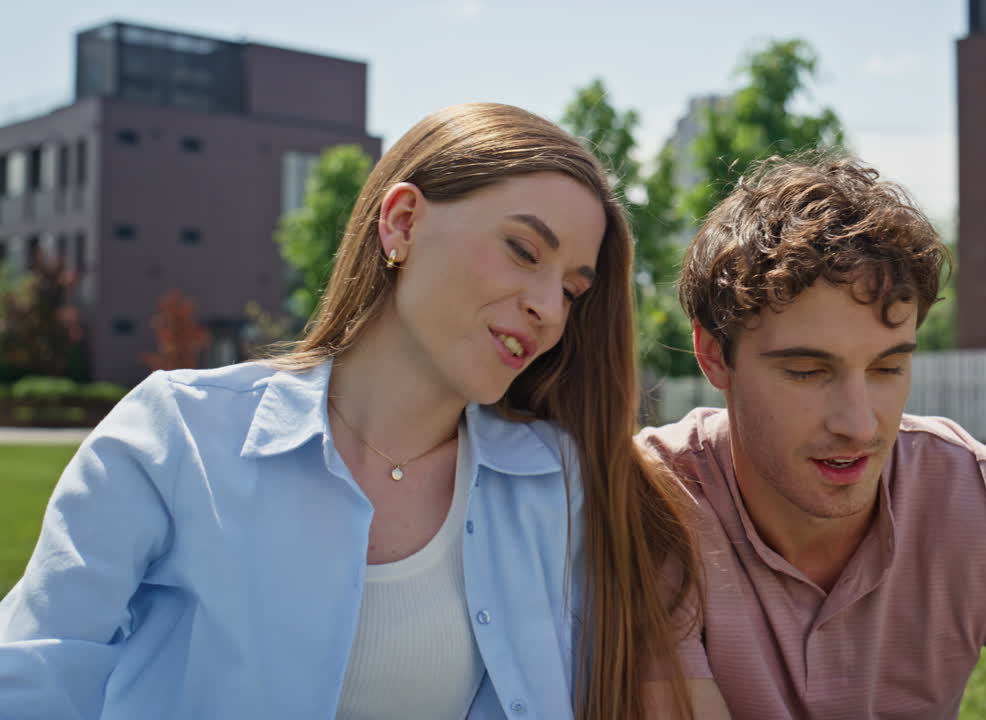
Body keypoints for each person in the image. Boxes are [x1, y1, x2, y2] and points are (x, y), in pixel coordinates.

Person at [0, 103, 700, 720]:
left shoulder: (561, 483)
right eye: (523, 251)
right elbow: (35, 674)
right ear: (401, 223)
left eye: (574, 291)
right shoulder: (176, 437)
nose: (548, 310)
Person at [639, 153, 986, 719]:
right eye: (807, 372)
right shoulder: (647, 504)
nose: (860, 425)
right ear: (714, 355)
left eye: (888, 369)